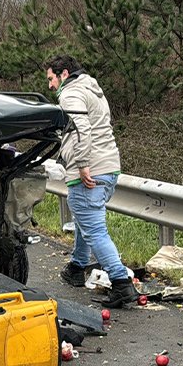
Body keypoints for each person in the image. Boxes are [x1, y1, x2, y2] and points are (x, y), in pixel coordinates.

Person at [45, 54, 134, 308]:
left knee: (95, 230)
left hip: (90, 169)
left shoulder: (70, 93)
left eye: (51, 79)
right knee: (85, 219)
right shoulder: (93, 90)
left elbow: (81, 129)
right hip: (109, 167)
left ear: (64, 74)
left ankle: (121, 284)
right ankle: (77, 267)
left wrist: (82, 164)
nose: (50, 85)